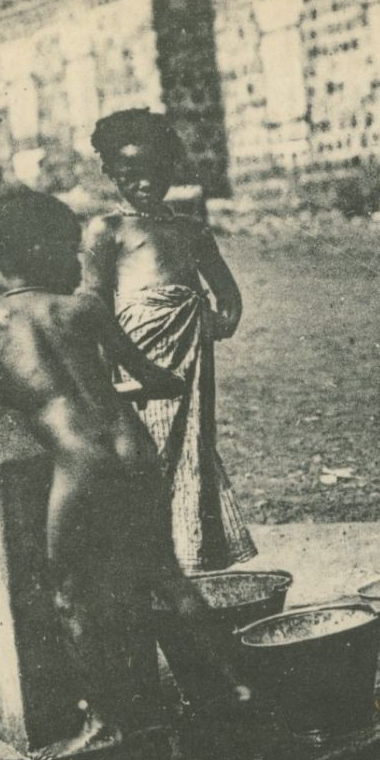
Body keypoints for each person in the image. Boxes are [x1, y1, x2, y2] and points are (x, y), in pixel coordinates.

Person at [0, 189, 208, 760]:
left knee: (70, 592)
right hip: (133, 449)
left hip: (80, 465)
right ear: (39, 250)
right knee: (166, 576)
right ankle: (227, 692)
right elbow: (161, 380)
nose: (80, 263)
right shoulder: (85, 310)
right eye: (72, 252)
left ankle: (108, 722)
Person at [81, 109, 257, 574]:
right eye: (129, 174)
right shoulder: (107, 231)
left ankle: (192, 557)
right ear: (110, 172)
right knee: (144, 455)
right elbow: (94, 307)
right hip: (136, 365)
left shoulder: (189, 228)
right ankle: (147, 564)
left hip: (190, 363)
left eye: (154, 172)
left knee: (191, 448)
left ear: (171, 168)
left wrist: (216, 321)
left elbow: (228, 293)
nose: (143, 184)